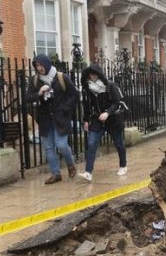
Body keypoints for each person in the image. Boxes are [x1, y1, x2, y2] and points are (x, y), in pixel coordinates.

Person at [26, 54, 78, 184]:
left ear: (47, 63)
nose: (39, 68)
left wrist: (64, 109)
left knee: (61, 144)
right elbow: (27, 98)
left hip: (60, 117)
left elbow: (74, 95)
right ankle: (56, 174)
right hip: (45, 119)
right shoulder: (35, 80)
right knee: (48, 148)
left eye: (41, 65)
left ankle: (70, 164)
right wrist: (39, 93)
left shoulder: (61, 77)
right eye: (37, 66)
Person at [79, 64, 127, 182]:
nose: (92, 77)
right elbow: (88, 105)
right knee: (91, 143)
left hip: (113, 119)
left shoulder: (110, 86)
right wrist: (85, 120)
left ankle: (123, 165)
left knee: (118, 143)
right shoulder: (89, 88)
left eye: (94, 74)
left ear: (99, 74)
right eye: (90, 74)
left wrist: (107, 113)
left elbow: (117, 103)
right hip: (97, 120)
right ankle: (88, 172)